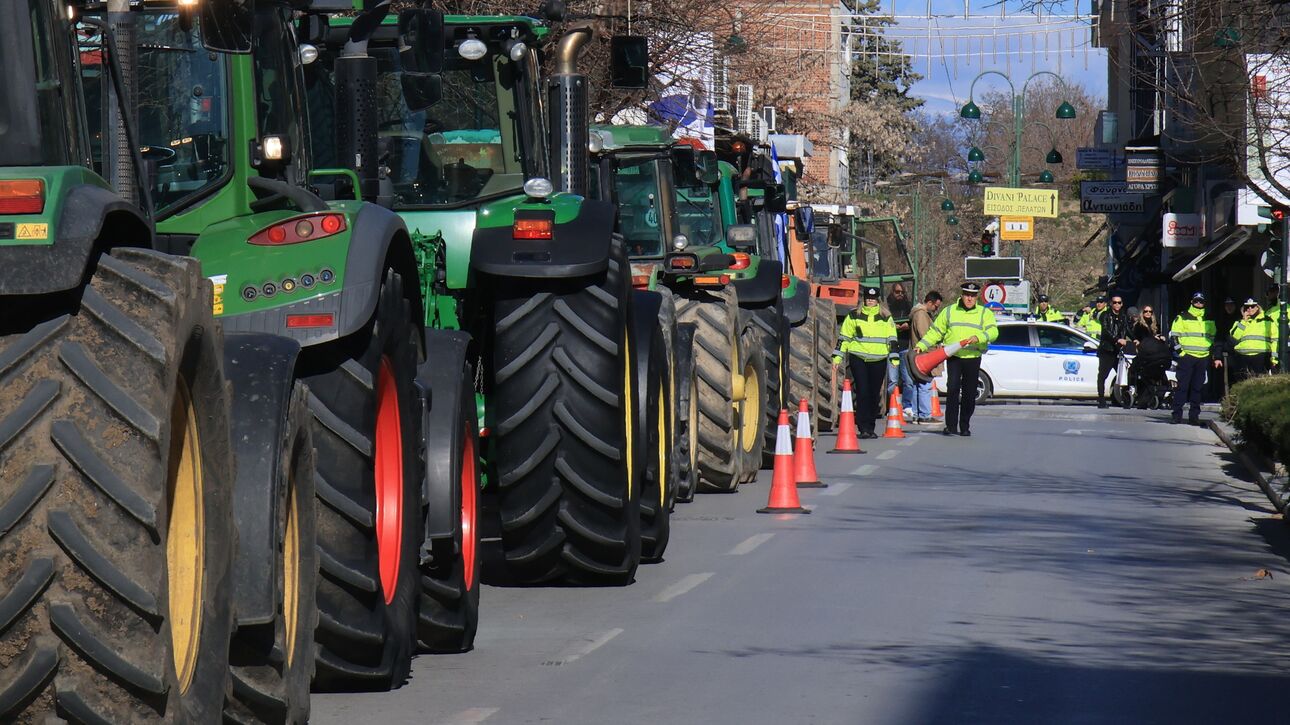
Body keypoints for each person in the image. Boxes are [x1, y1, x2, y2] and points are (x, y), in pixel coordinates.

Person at [915, 281, 999, 436]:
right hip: (954, 357)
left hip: (973, 358)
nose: (969, 299)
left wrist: (979, 337)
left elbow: (993, 332)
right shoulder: (949, 311)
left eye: (973, 296)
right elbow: (936, 331)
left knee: (969, 393)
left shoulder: (984, 313)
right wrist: (922, 345)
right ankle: (951, 425)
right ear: (962, 295)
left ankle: (965, 425)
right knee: (952, 390)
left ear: (977, 297)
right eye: (967, 295)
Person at [834, 287, 898, 439]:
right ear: (864, 300)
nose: (870, 301)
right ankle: (863, 428)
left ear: (878, 300)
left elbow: (892, 338)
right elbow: (844, 337)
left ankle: (871, 427)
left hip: (879, 359)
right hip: (858, 357)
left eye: (873, 298)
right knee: (862, 391)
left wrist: (894, 358)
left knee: (874, 393)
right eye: (868, 298)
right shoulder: (853, 315)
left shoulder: (886, 317)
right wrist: (837, 357)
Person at [1169, 291, 1219, 425]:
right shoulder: (1182, 316)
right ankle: (1176, 415)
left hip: (1202, 358)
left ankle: (1194, 417)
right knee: (1182, 387)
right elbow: (1174, 336)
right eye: (1196, 301)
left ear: (1204, 303)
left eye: (1201, 301)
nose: (1198, 303)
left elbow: (1213, 337)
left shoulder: (1209, 318)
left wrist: (1210, 352)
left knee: (1197, 388)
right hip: (1187, 357)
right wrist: (1181, 353)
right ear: (1192, 302)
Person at [902, 290, 943, 423]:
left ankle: (918, 413)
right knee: (924, 384)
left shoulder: (919, 313)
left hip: (918, 355)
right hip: (923, 356)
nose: (936, 309)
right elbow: (925, 335)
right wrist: (935, 348)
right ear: (930, 303)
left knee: (918, 385)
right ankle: (924, 415)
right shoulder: (921, 315)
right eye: (936, 306)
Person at [1227, 298, 1277, 383]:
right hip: (1242, 357)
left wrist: (1274, 359)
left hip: (1261, 356)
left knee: (1260, 384)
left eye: (1252, 306)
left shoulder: (1267, 321)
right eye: (1247, 307)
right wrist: (1244, 321)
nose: (1250, 309)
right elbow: (1234, 337)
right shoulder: (1240, 322)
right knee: (1242, 384)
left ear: (1258, 307)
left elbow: (1275, 340)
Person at [1096, 294, 1132, 408]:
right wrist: (1117, 339)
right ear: (1111, 304)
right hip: (1107, 350)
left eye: (1119, 302)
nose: (1117, 304)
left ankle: (1123, 399)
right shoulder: (1105, 315)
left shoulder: (1123, 316)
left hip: (1118, 351)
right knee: (1103, 375)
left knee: (1123, 375)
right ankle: (1101, 400)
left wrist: (1135, 339)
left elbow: (1127, 329)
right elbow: (1107, 331)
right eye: (1115, 302)